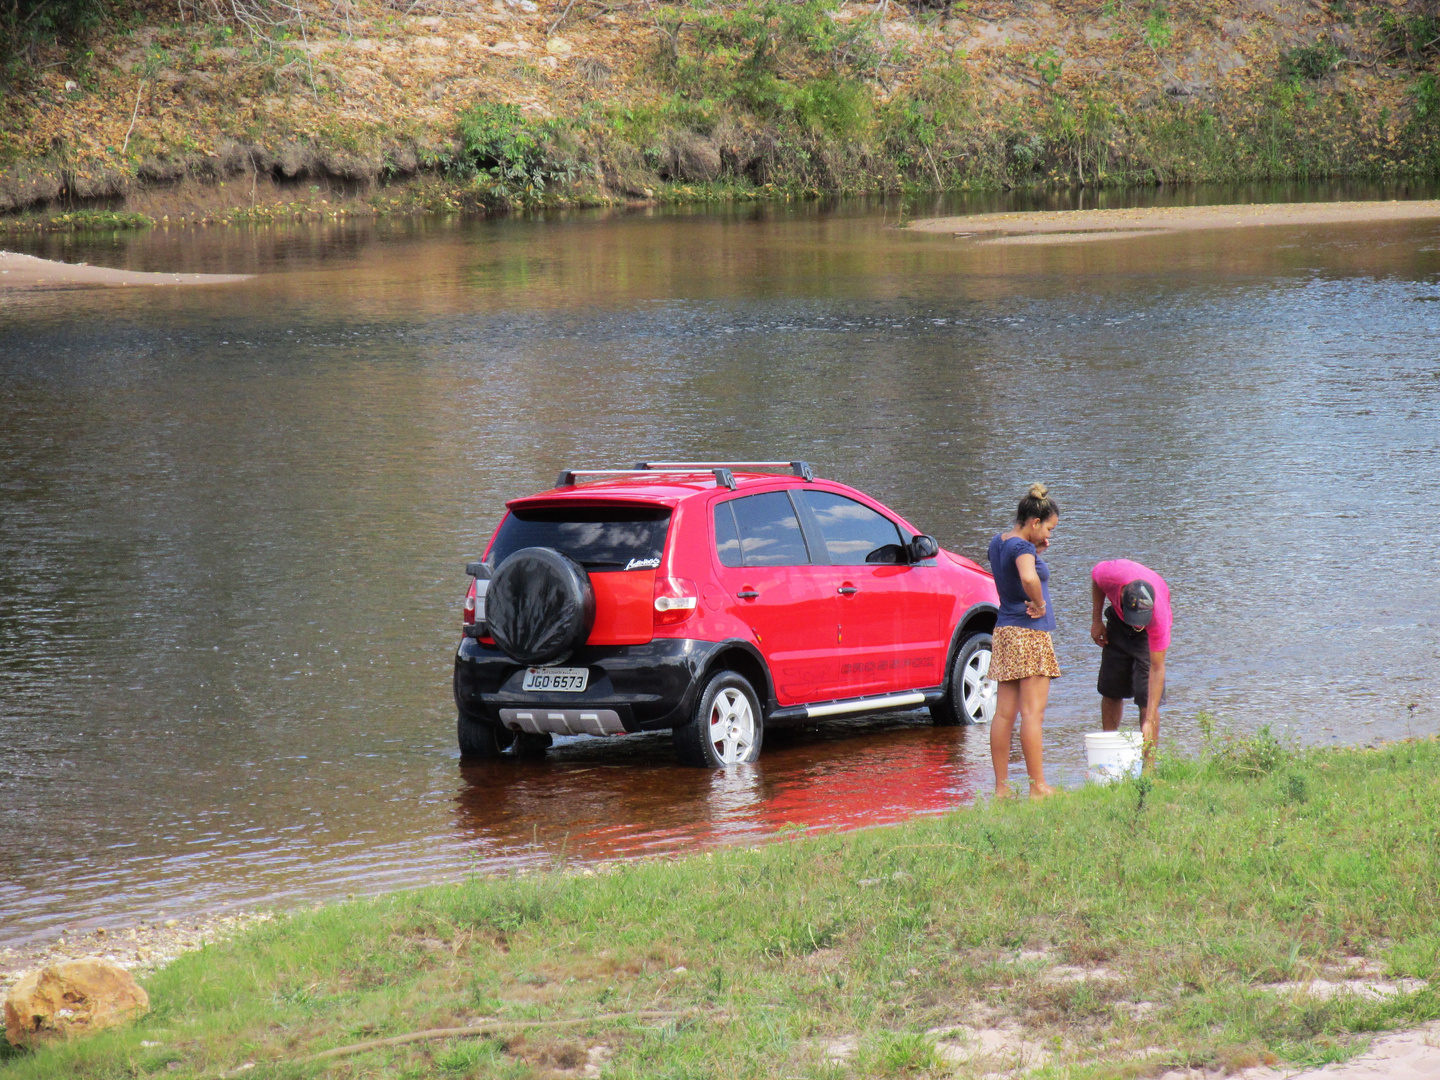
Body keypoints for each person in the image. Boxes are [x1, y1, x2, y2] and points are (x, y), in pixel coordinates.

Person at [987, 483, 1061, 799]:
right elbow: (1029, 578)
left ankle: (1001, 788)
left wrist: (1036, 550)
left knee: (1004, 714)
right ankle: (1038, 787)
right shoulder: (1023, 549)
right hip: (1029, 634)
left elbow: (1012, 573)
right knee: (1033, 714)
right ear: (1034, 523)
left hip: (1004, 631)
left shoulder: (999, 542)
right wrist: (1040, 604)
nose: (1049, 535)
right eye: (1048, 527)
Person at [1089, 559, 1171, 765]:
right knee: (1111, 688)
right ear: (1122, 594)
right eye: (1135, 618)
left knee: (1147, 697)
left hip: (1148, 635)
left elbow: (1157, 668)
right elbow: (1096, 580)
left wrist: (1150, 720)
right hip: (1117, 623)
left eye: (1139, 619)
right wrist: (1096, 620)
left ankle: (1148, 769)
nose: (1137, 625)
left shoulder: (1159, 618)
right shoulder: (1109, 575)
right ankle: (1109, 759)